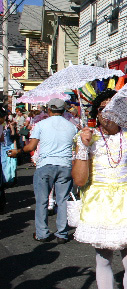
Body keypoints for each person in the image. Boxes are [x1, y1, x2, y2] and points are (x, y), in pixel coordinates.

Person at [72, 89, 127, 289]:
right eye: (102, 109)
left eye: (113, 108)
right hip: (99, 203)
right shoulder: (87, 138)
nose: (107, 113)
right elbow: (79, 179)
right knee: (103, 261)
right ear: (96, 113)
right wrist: (83, 147)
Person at [8, 98, 77, 243]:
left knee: (42, 200)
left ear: (49, 109)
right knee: (62, 200)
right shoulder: (72, 127)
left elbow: (31, 147)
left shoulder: (41, 125)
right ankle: (62, 233)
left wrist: (18, 151)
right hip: (65, 164)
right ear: (63, 110)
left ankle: (42, 233)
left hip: (45, 164)